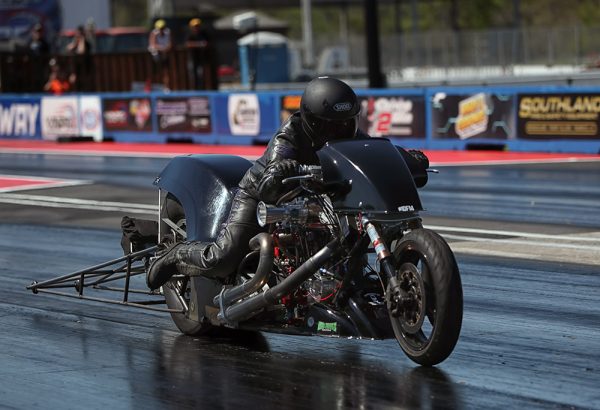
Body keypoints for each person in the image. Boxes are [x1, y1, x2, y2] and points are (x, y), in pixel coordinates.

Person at [146, 77, 429, 290]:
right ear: (311, 121)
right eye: (330, 126)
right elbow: (268, 187)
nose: (339, 132)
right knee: (223, 258)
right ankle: (173, 256)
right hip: (264, 195)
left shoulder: (348, 134)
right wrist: (281, 169)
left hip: (319, 196)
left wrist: (405, 158)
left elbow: (372, 150)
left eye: (346, 124)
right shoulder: (289, 136)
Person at [185, 18, 210, 89]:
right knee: (192, 73)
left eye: (198, 26)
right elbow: (188, 44)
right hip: (192, 57)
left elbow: (207, 43)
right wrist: (199, 44)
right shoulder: (190, 34)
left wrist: (201, 44)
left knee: (202, 74)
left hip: (202, 57)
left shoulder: (204, 34)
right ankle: (194, 88)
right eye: (195, 26)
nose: (196, 28)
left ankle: (202, 88)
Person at [148, 19, 172, 91]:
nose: (161, 30)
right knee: (155, 72)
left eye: (162, 28)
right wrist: (162, 48)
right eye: (160, 28)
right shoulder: (154, 33)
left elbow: (170, 44)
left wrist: (165, 49)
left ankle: (166, 87)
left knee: (166, 72)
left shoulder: (168, 32)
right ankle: (154, 87)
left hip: (164, 55)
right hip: (154, 55)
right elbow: (153, 44)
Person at [67, 25, 92, 91]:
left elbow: (81, 51)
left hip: (84, 71)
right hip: (75, 71)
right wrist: (75, 42)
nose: (78, 35)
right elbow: (68, 49)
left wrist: (82, 40)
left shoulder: (86, 43)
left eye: (80, 34)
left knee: (84, 88)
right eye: (77, 33)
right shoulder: (75, 43)